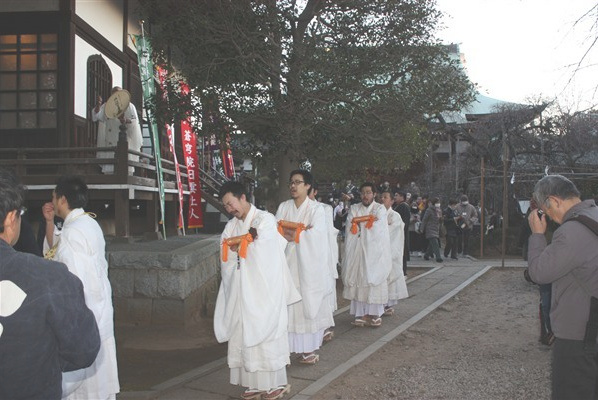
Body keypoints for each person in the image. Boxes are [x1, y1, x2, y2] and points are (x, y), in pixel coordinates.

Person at [0, 168, 100, 400]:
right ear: (10, 218)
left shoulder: (77, 229)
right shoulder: (49, 277)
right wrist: (45, 355)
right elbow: (83, 349)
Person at [215, 181, 300, 400]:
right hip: (241, 290)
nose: (230, 209)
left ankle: (274, 384)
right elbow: (226, 250)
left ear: (243, 197)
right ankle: (253, 384)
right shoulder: (231, 226)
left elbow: (266, 250)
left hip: (264, 291)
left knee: (266, 335)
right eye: (226, 207)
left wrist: (242, 246)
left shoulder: (265, 219)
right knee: (243, 333)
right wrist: (240, 246)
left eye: (231, 203)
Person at [42, 176, 120, 400]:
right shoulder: (87, 223)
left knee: (85, 389)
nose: (52, 201)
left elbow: (75, 280)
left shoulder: (73, 231)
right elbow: (54, 251)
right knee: (98, 384)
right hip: (100, 308)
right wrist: (49, 222)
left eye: (54, 197)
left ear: (63, 199)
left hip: (86, 312)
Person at [527, 174, 598, 400]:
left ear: (554, 200)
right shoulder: (594, 216)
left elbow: (539, 272)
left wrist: (537, 234)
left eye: (547, 211)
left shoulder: (571, 231)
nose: (549, 217)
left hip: (579, 335)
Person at [276, 170, 334, 365]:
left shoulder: (317, 210)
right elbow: (277, 232)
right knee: (288, 304)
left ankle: (308, 349)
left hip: (308, 266)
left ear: (308, 186)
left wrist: (294, 234)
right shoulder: (284, 207)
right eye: (291, 182)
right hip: (287, 262)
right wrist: (300, 231)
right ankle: (287, 349)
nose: (293, 186)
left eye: (298, 182)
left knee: (305, 304)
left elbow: (317, 236)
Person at [342, 182, 391, 327]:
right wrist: (366, 222)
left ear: (374, 194)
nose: (365, 195)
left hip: (374, 252)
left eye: (369, 192)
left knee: (373, 278)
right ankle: (360, 313)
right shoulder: (354, 208)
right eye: (363, 192)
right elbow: (351, 227)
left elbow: (378, 229)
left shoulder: (379, 209)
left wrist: (360, 224)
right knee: (358, 278)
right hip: (357, 251)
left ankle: (375, 313)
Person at [308, 183, 339, 342]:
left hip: (323, 253)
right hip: (305, 255)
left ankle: (325, 326)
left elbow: (327, 232)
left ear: (315, 191)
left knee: (324, 291)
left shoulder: (324, 209)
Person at [92, 86, 143, 175]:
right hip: (110, 139)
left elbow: (134, 120)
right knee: (109, 168)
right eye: (114, 93)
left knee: (125, 167)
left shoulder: (130, 106)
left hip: (124, 138)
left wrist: (125, 120)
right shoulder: (106, 106)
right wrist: (98, 105)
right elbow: (97, 117)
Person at [381, 190, 409, 315]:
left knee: (390, 278)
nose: (383, 199)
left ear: (392, 201)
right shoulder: (377, 214)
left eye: (386, 197)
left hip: (391, 250)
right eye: (381, 197)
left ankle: (388, 304)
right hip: (379, 251)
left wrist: (383, 226)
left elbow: (393, 232)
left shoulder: (395, 216)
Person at [392, 190, 411, 276]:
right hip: (399, 232)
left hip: (401, 232)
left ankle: (403, 271)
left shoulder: (403, 206)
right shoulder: (398, 206)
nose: (395, 197)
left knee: (402, 252)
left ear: (402, 197)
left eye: (397, 195)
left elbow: (405, 221)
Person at [420, 198, 443, 263]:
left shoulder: (439, 210)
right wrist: (422, 228)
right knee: (435, 243)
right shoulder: (429, 210)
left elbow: (440, 220)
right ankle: (438, 257)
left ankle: (426, 255)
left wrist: (441, 217)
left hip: (436, 228)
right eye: (437, 202)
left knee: (432, 244)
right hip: (430, 228)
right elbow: (424, 219)